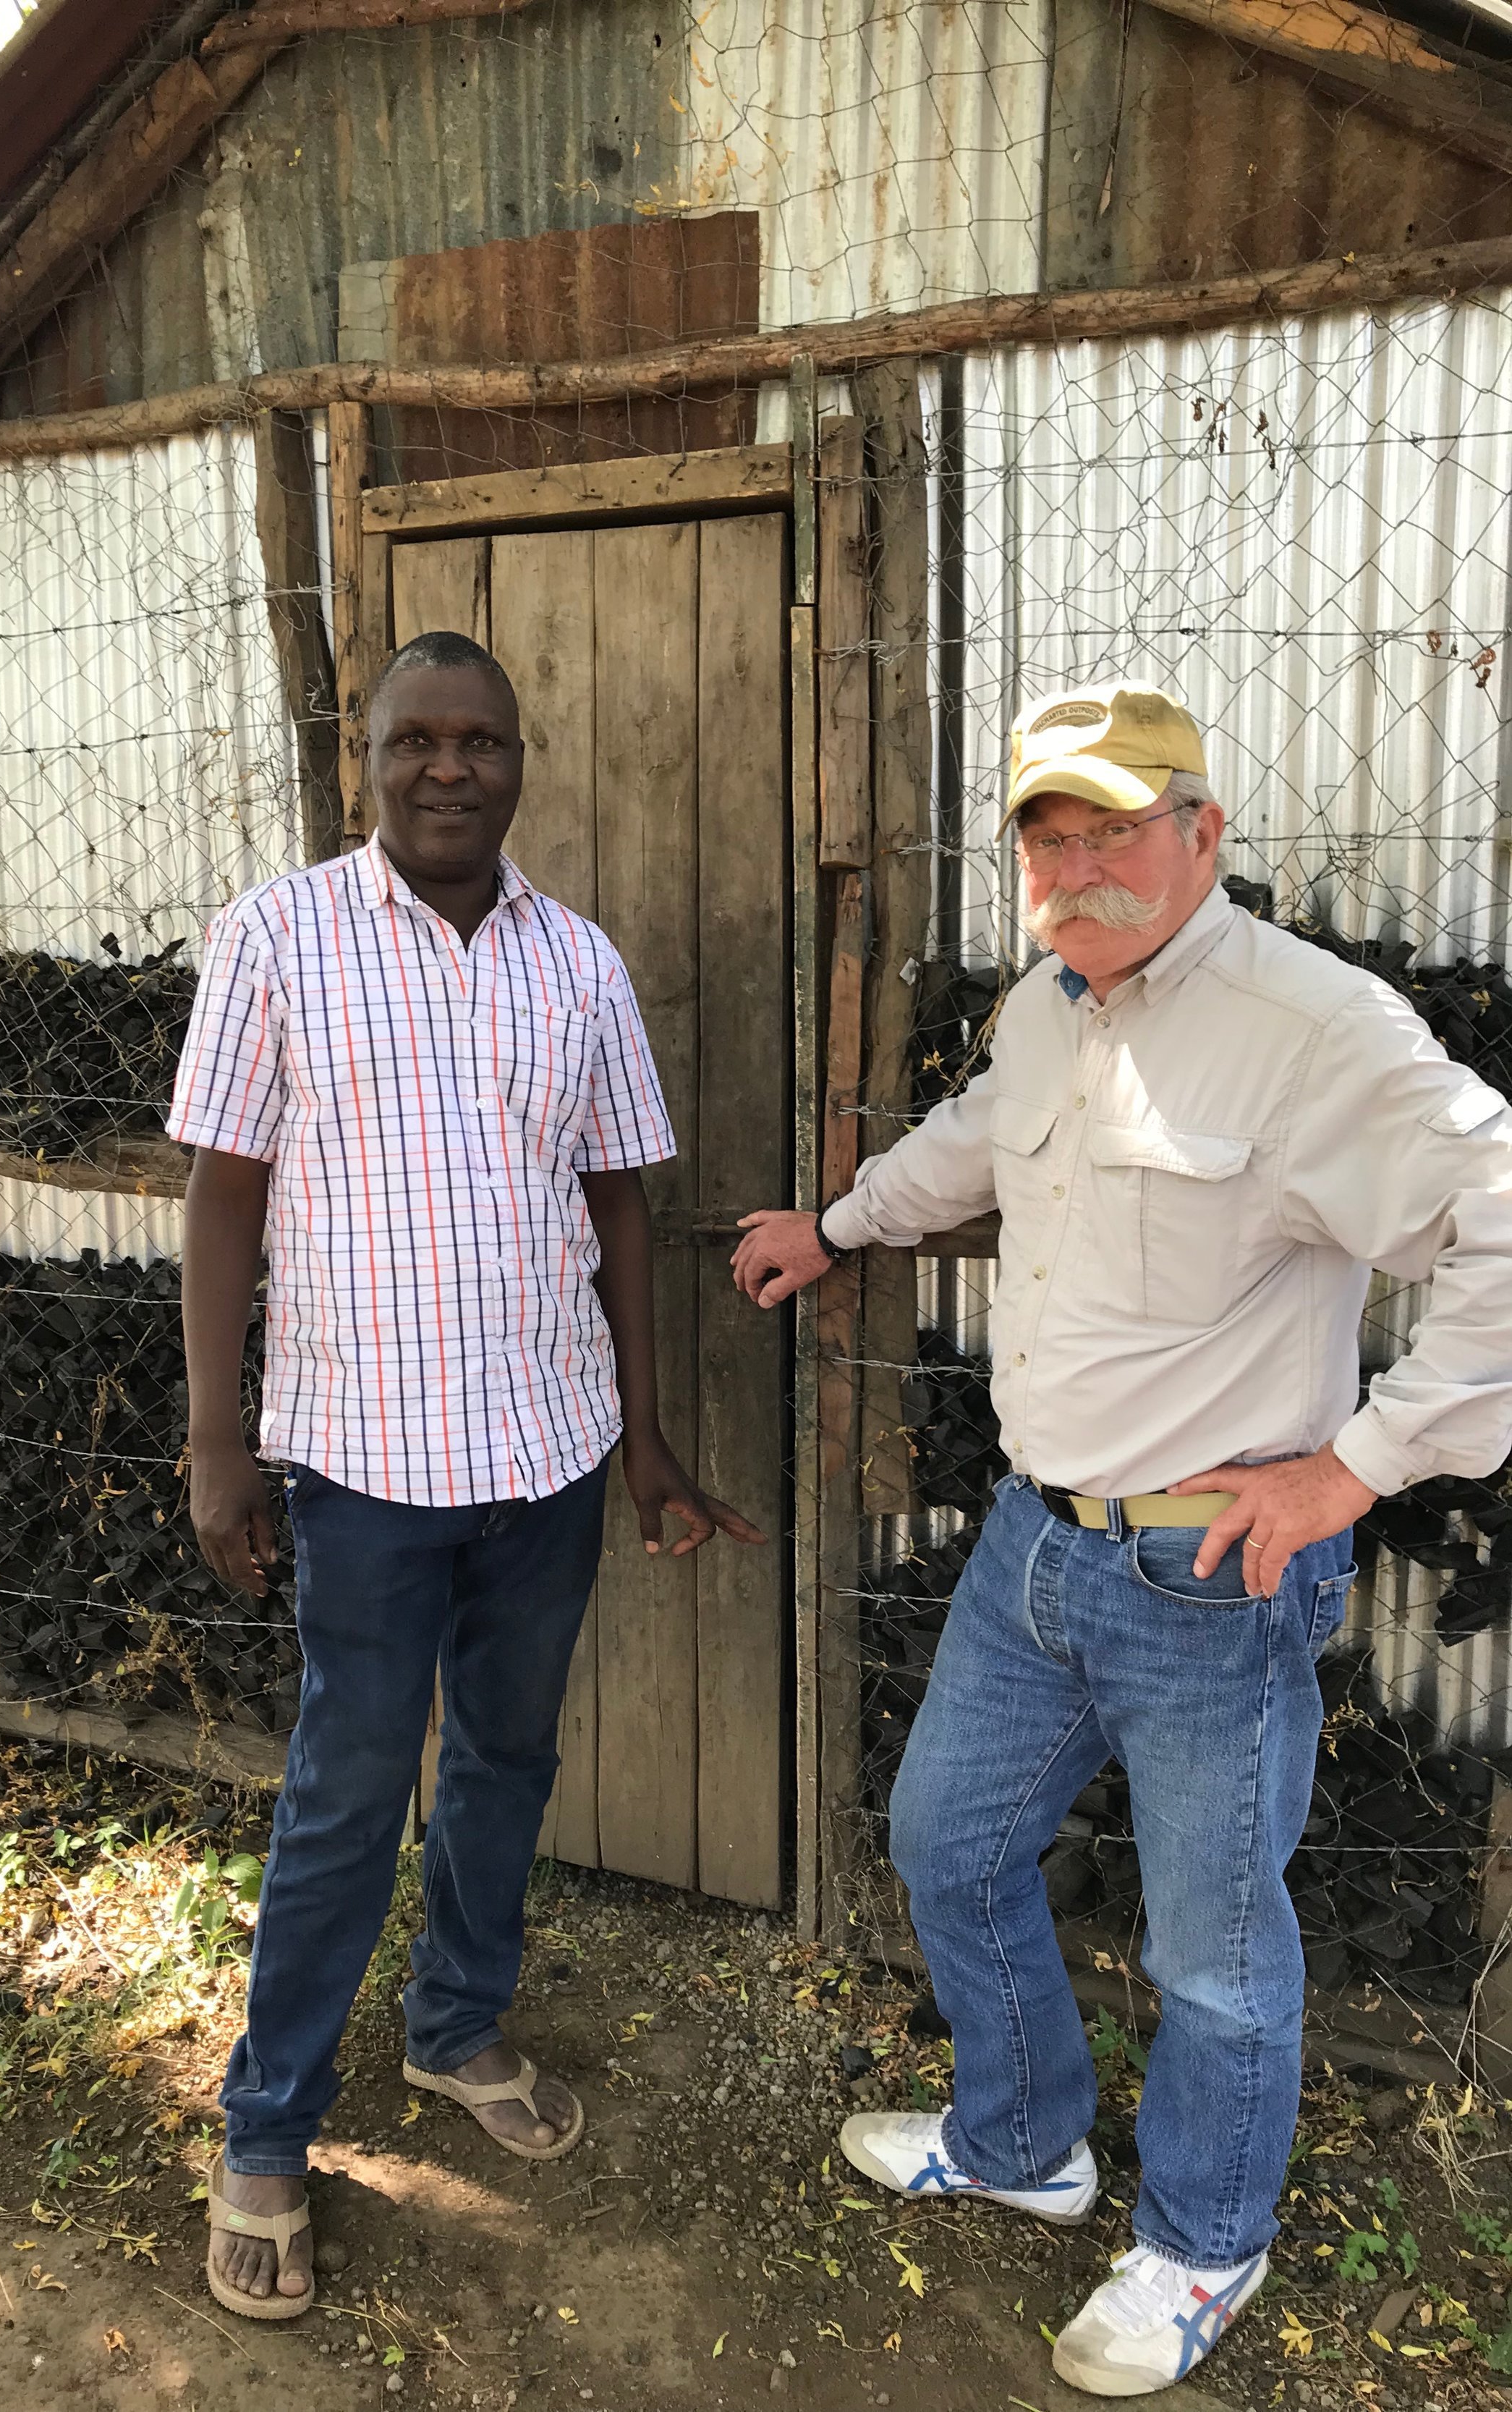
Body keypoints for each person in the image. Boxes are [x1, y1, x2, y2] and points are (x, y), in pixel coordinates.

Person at [731, 682, 1512, 2397]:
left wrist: (1357, 1465)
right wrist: (835, 1223)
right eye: (1046, 835)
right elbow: (968, 1151)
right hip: (1037, 1546)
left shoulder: (1312, 1028)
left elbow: (1499, 1219)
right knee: (944, 1840)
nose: (1076, 865)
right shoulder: (1045, 1007)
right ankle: (1023, 2143)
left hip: (1208, 1578)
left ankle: (1201, 2243)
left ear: (1202, 833)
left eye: (1113, 828)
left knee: (1211, 1950)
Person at [171, 628, 763, 2320]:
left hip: (541, 1451)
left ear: (520, 761)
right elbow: (220, 1193)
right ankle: (267, 2128)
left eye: (480, 742)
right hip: (356, 1460)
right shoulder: (278, 935)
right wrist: (222, 1440)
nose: (449, 768)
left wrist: (641, 1441)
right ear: (364, 755)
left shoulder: (576, 961)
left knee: (505, 1750)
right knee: (349, 1784)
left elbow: (619, 1205)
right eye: (414, 739)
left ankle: (453, 2028)